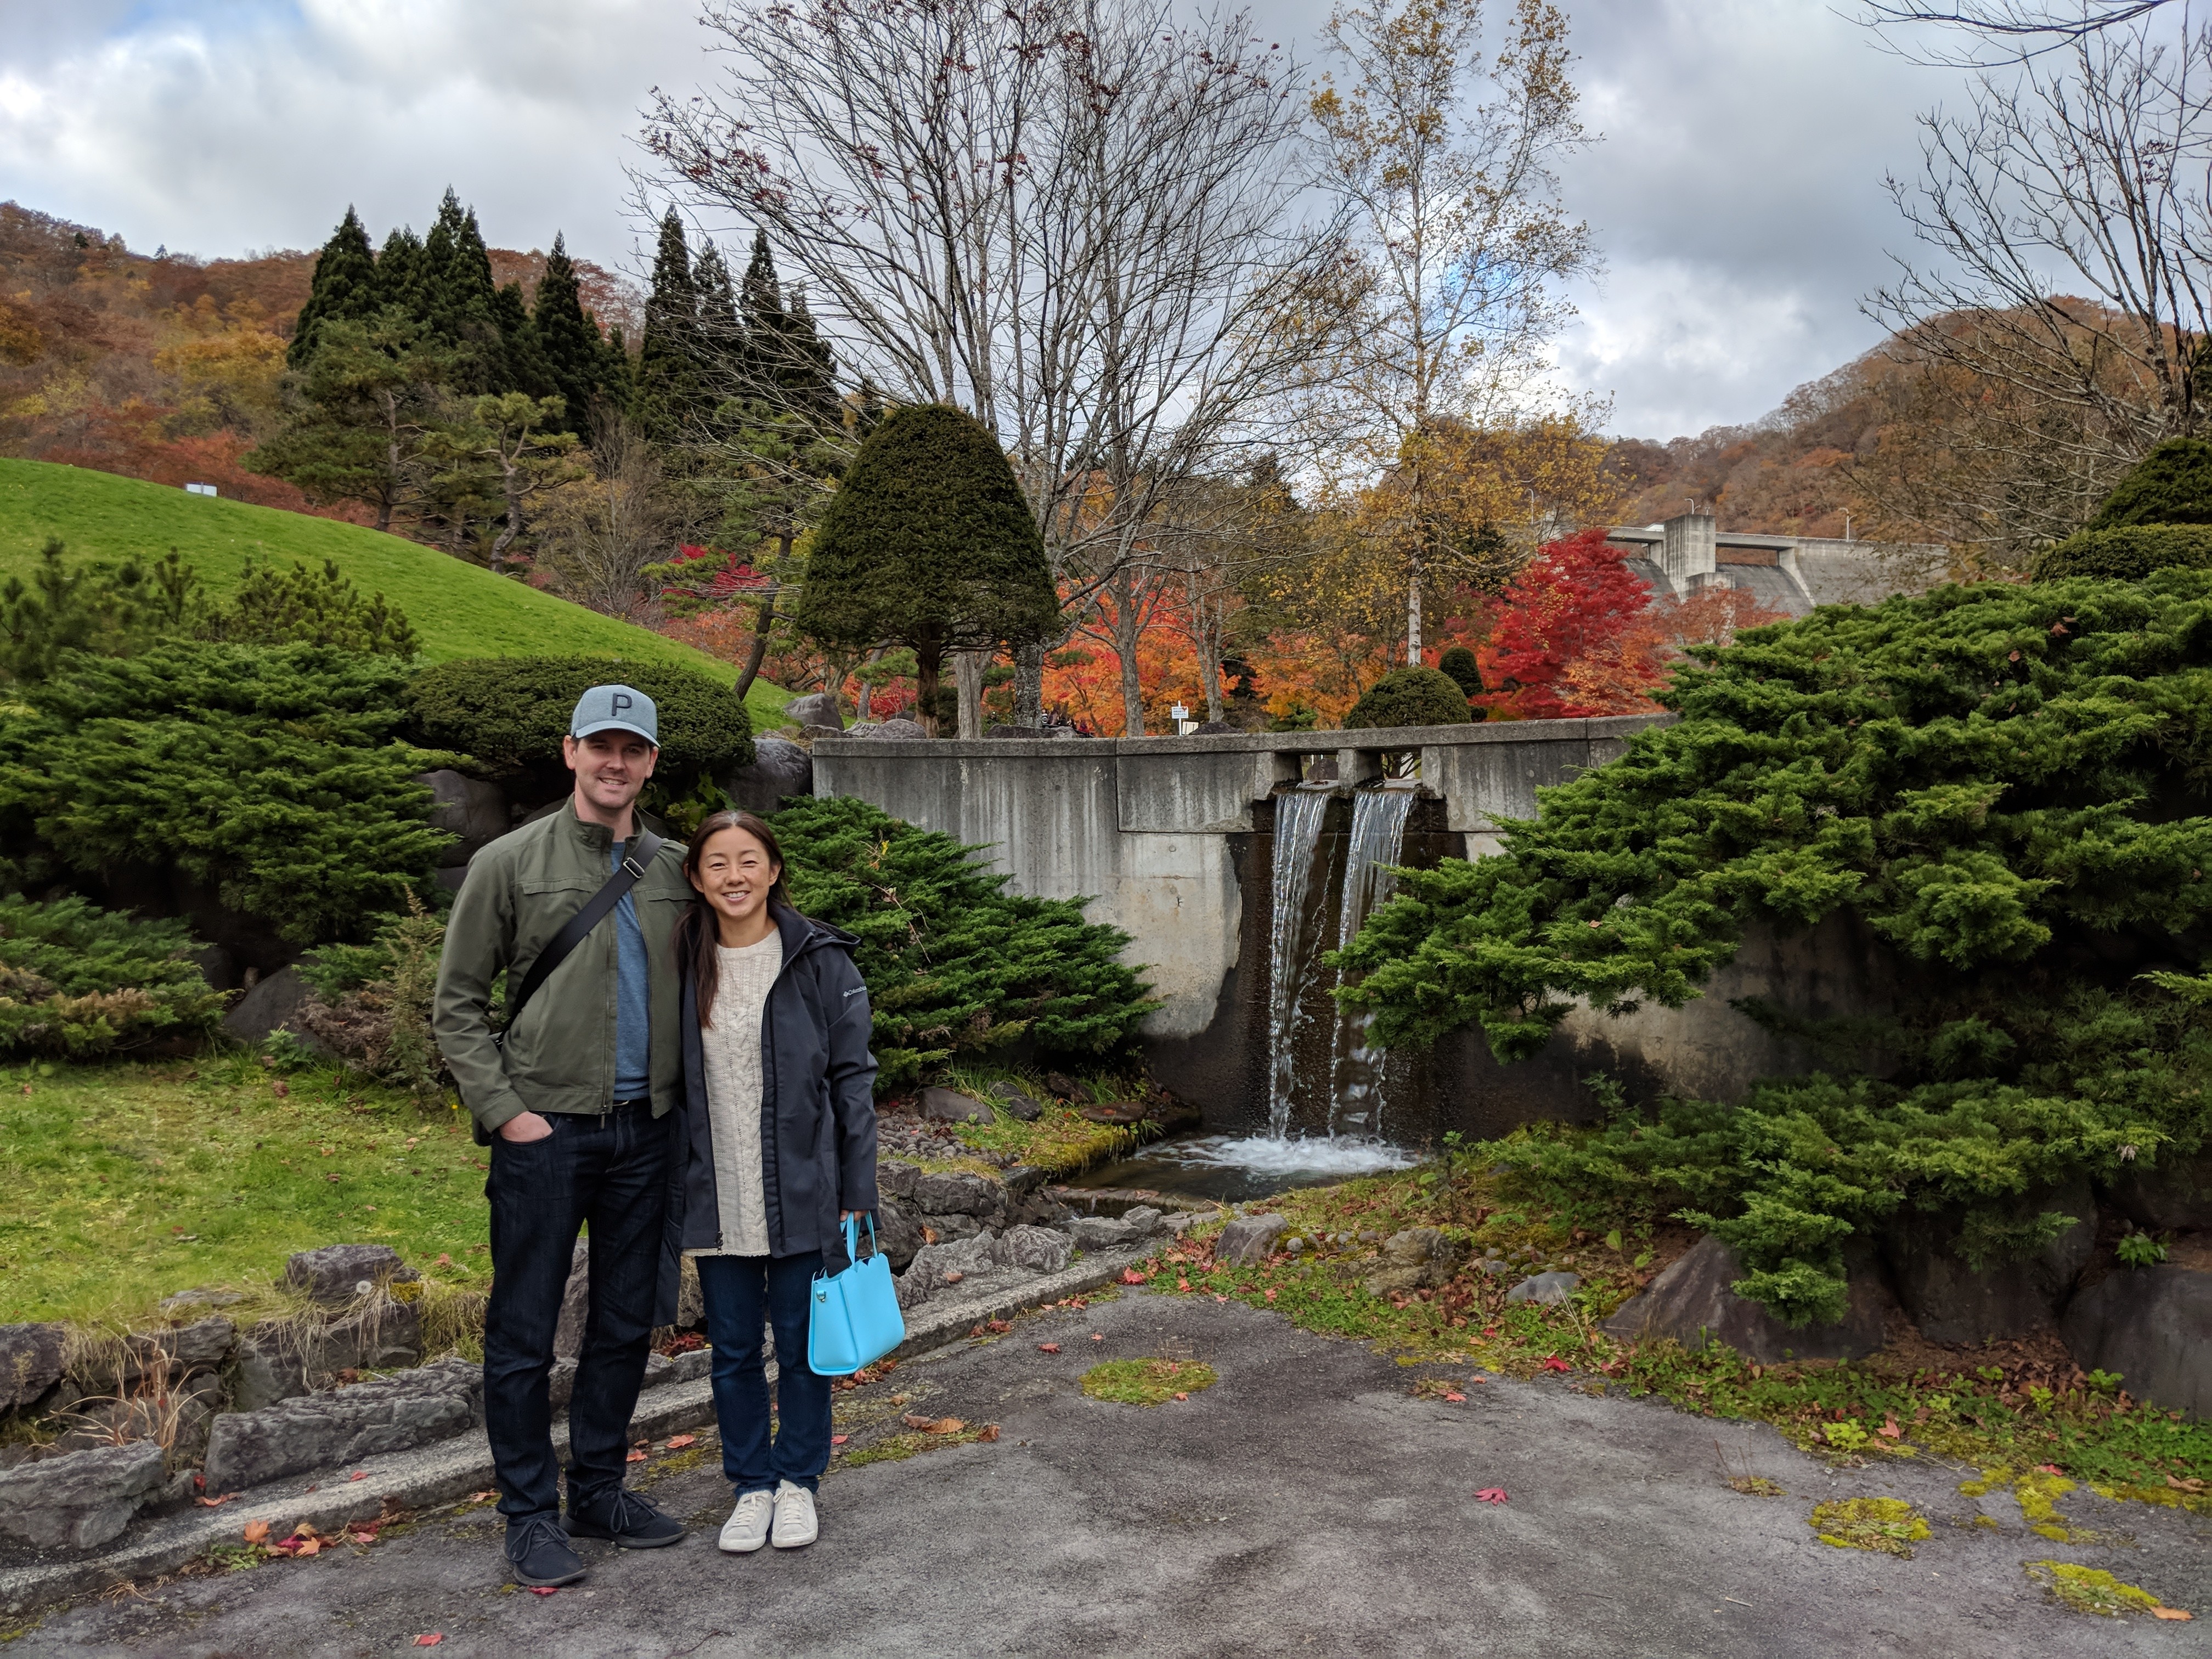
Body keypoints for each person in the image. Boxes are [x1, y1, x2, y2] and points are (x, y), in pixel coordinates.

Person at [432, 685, 693, 1587]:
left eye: (633, 749)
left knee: (625, 1324)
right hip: (547, 1134)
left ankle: (600, 1491)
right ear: (571, 752)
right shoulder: (506, 862)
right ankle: (529, 1514)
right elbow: (458, 1005)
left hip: (646, 1133)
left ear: (651, 762)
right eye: (601, 746)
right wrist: (511, 1114)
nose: (616, 763)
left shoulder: (675, 867)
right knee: (524, 1332)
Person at [659, 808, 878, 1556]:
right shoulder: (681, 961)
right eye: (717, 863)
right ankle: (750, 1485)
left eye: (748, 860)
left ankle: (799, 1484)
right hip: (716, 1190)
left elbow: (854, 1082)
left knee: (802, 1344)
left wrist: (859, 1188)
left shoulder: (820, 961)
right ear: (696, 878)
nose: (734, 877)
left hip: (803, 1185)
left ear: (774, 869)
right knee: (730, 1351)